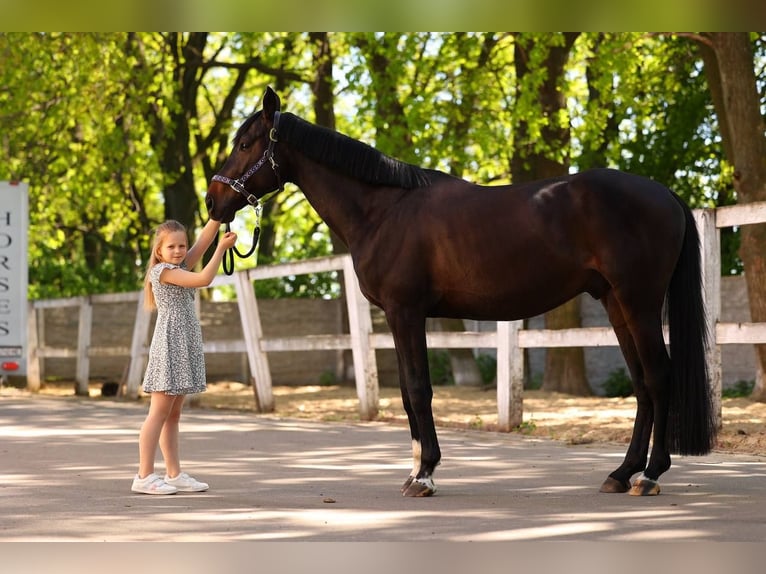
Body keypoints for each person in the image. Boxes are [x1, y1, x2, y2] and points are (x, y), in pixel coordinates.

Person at [131, 219, 237, 495]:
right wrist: (222, 249)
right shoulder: (164, 271)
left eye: (182, 246)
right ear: (159, 251)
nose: (178, 251)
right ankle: (143, 475)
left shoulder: (178, 266)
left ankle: (174, 473)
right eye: (171, 246)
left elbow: (202, 241)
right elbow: (204, 279)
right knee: (159, 413)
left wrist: (217, 216)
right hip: (170, 344)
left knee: (173, 415)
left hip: (184, 342)